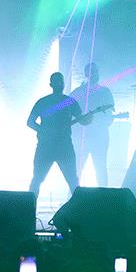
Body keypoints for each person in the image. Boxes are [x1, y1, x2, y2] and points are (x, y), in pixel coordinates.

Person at [28, 72, 92, 200]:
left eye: (61, 81)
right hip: (49, 147)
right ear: (51, 84)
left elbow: (83, 121)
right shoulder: (46, 102)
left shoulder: (67, 102)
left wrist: (90, 118)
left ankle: (79, 209)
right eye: (57, 82)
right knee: (38, 180)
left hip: (62, 146)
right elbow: (30, 122)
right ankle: (28, 208)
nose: (59, 84)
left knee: (72, 181)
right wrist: (44, 131)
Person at [71, 62, 115, 187]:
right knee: (80, 169)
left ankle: (100, 195)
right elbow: (66, 109)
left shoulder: (103, 91)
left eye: (96, 72)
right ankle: (74, 194)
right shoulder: (79, 92)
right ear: (87, 74)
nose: (95, 74)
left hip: (96, 137)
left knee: (98, 168)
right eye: (93, 72)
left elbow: (110, 115)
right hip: (84, 137)